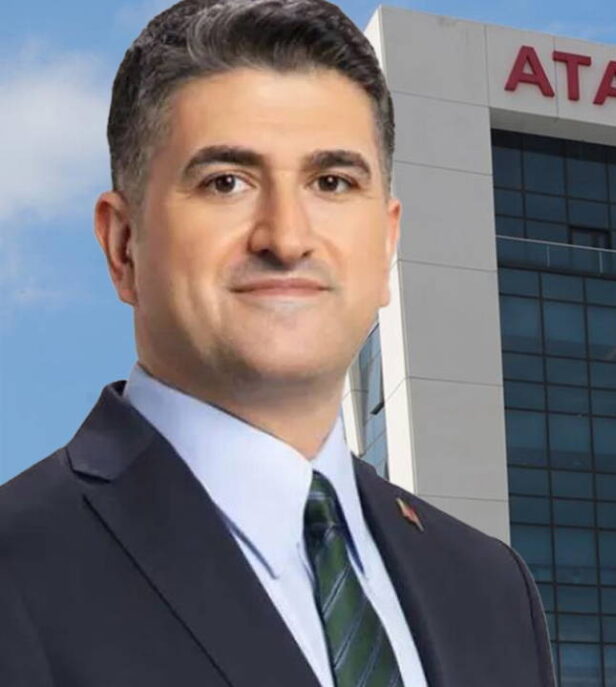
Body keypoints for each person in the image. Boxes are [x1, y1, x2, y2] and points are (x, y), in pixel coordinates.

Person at [0, 1, 555, 685]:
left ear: (387, 244)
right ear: (123, 245)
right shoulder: (16, 565)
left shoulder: (492, 588)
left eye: (332, 182)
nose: (286, 237)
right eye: (226, 182)